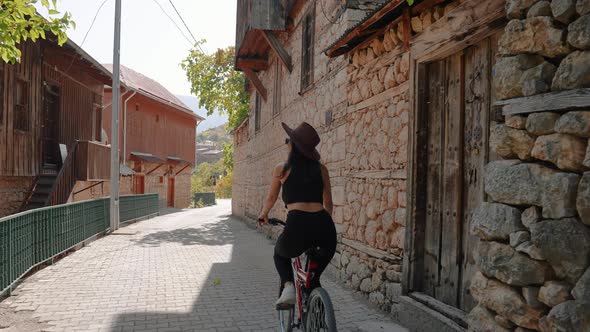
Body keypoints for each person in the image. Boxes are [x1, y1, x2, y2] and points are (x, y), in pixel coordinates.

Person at [258, 122, 337, 308]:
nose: (287, 143)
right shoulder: (321, 169)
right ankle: (316, 302)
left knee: (280, 254)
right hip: (324, 227)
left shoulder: (282, 169)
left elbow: (271, 197)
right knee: (313, 277)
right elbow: (329, 204)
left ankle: (288, 287)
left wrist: (263, 214)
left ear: (293, 146)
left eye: (288, 141)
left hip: (297, 224)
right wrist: (324, 226)